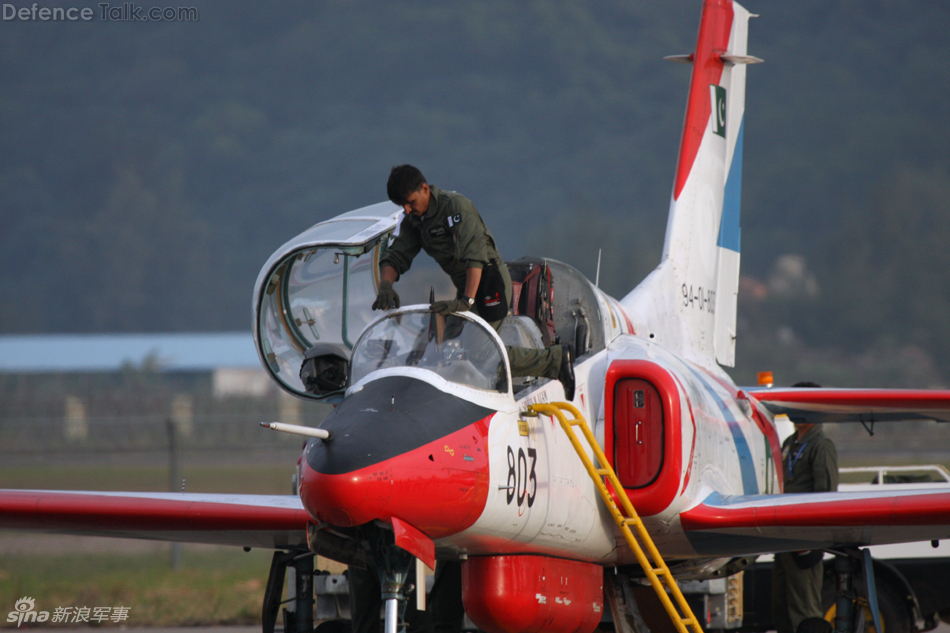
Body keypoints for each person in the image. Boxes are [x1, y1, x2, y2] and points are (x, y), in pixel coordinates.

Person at [372, 164, 574, 399]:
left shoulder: (456, 208)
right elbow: (395, 256)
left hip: (489, 284)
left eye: (410, 202)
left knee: (480, 355)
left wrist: (466, 301)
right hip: (465, 290)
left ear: (425, 189)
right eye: (402, 206)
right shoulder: (414, 220)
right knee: (437, 349)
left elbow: (475, 258)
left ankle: (556, 360)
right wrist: (386, 285)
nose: (407, 210)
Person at [772, 381, 838, 633]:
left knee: (805, 609)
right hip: (784, 536)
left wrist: (814, 540)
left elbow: (826, 495)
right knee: (782, 607)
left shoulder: (821, 446)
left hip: (804, 539)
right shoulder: (790, 442)